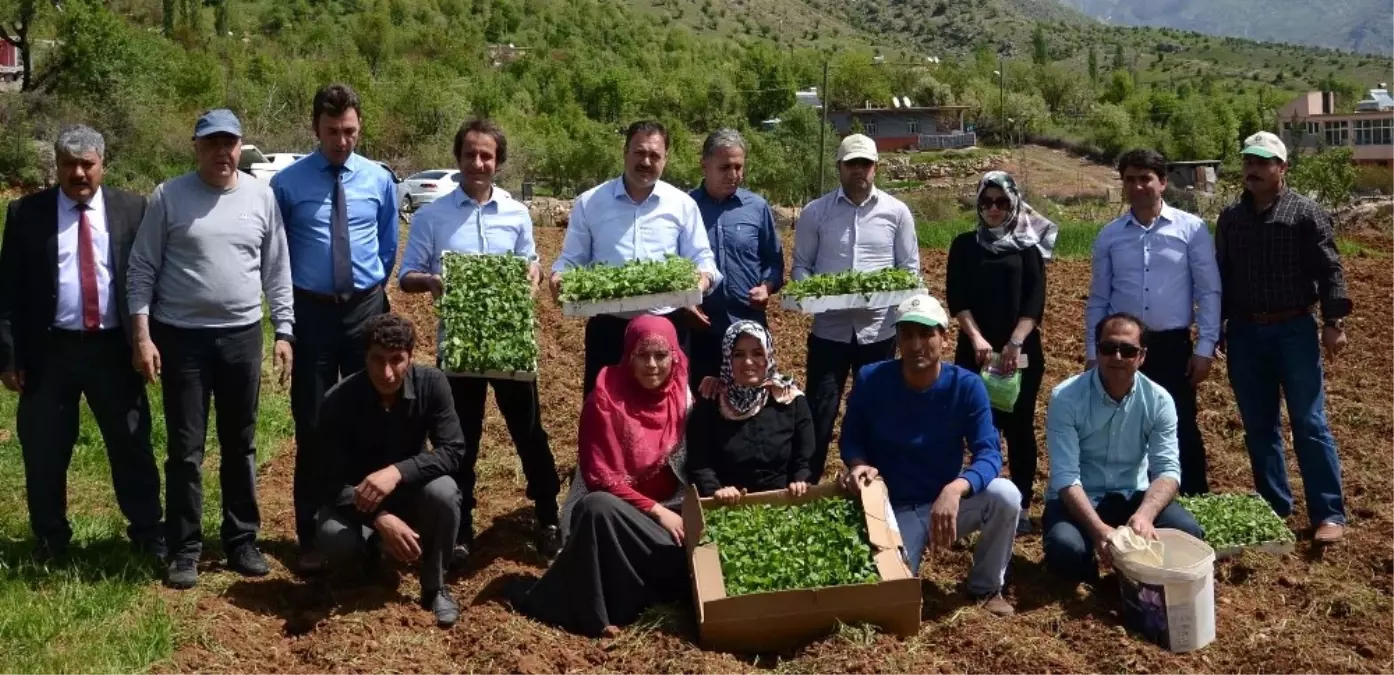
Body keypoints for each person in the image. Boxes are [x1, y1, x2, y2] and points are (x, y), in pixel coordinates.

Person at [127, 109, 294, 589]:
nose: (223, 152)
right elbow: (141, 269)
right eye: (212, 143)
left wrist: (283, 331)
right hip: (181, 337)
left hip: (241, 335)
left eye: (231, 143)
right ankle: (185, 548)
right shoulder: (168, 196)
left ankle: (242, 540)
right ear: (196, 147)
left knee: (240, 444)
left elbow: (276, 269)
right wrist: (143, 335)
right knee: (185, 449)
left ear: (241, 147)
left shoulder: (261, 197)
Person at [398, 118, 562, 562]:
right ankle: (459, 526)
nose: (477, 162)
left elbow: (531, 265)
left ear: (499, 163)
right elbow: (405, 276)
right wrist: (431, 281)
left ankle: (548, 517)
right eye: (470, 154)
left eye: (486, 155)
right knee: (460, 440)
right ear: (459, 159)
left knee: (529, 433)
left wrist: (534, 273)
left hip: (509, 342)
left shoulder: (516, 214)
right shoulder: (433, 216)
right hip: (460, 348)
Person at [0, 125, 164, 561]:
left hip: (114, 349)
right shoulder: (25, 215)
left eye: (86, 164)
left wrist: (146, 339)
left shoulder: (133, 209)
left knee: (131, 443)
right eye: (68, 164)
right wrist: (10, 356)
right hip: (49, 352)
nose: (78, 173)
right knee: (44, 449)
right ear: (55, 166)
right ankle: (51, 538)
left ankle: (148, 531)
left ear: (102, 165)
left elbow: (148, 278)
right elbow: (8, 291)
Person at [271, 83, 398, 573]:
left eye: (349, 131)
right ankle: (312, 536)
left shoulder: (379, 180)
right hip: (312, 315)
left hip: (365, 311)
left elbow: (387, 246)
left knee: (373, 417)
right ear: (315, 129)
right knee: (315, 425)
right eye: (331, 132)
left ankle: (371, 529)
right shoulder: (288, 184)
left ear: (359, 127)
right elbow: (277, 253)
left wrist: (370, 293)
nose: (341, 141)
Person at [507, 316, 691, 638]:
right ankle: (594, 614)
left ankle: (640, 597)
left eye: (660, 356)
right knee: (597, 508)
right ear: (628, 356)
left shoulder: (685, 401)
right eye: (642, 355)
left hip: (669, 524)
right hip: (621, 518)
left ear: (674, 356)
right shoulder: (605, 402)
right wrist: (657, 511)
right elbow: (599, 476)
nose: (651, 365)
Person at [839, 294, 1018, 617]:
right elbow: (851, 438)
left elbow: (989, 453)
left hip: (944, 502)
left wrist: (955, 488)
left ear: (945, 339)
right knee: (888, 596)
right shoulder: (872, 379)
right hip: (891, 506)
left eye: (926, 334)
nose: (916, 344)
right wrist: (858, 463)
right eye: (907, 335)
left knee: (1005, 495)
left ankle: (987, 586)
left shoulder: (966, 386)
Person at [1216, 131, 1352, 544]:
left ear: (1282, 168)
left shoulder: (1305, 213)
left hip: (1294, 329)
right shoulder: (1231, 218)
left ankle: (1328, 513)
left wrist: (1333, 322)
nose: (1252, 169)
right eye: (1248, 162)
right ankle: (1274, 507)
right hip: (1244, 332)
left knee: (1309, 422)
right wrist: (1217, 327)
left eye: (1262, 162)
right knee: (1259, 426)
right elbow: (1222, 276)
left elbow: (1331, 270)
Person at [314, 314, 466, 628]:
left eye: (397, 360)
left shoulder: (432, 384)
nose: (387, 372)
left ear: (411, 357)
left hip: (410, 490)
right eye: (377, 360)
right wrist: (379, 518)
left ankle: (435, 586)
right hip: (357, 500)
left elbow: (453, 450)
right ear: (364, 357)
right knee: (334, 537)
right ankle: (366, 561)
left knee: (445, 492)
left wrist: (396, 472)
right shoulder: (338, 400)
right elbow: (328, 481)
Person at [549, 120, 720, 396]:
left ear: (666, 159)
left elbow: (703, 259)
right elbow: (571, 258)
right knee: (606, 412)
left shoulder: (682, 205)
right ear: (625, 152)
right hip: (610, 330)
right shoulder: (591, 202)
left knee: (668, 417)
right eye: (639, 152)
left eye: (654, 155)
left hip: (666, 326)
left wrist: (700, 281)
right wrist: (560, 275)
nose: (646, 161)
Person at [1085, 149, 1220, 497]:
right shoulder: (1110, 236)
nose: (1138, 186)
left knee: (1180, 426)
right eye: (1130, 179)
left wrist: (1205, 348)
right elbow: (1099, 298)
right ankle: (1128, 498)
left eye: (1145, 178)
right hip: (1121, 350)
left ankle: (1191, 501)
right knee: (1123, 424)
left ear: (1162, 182)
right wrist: (1092, 351)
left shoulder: (1191, 229)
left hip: (1173, 346)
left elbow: (1208, 292)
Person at [793, 134, 920, 483]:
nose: (858, 171)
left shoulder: (896, 212)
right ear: (839, 167)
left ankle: (875, 484)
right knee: (821, 409)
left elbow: (909, 270)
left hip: (878, 332)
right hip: (828, 331)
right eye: (852, 164)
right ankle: (809, 484)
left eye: (865, 163)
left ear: (876, 167)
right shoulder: (815, 212)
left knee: (876, 411)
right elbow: (802, 265)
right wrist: (810, 291)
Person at [1042, 313, 1203, 582]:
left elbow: (1168, 470)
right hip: (1080, 499)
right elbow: (1065, 477)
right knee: (1065, 550)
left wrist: (1144, 516)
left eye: (1127, 351)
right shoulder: (1066, 397)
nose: (1117, 357)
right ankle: (1100, 580)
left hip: (1133, 496)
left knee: (1188, 532)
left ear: (1142, 356)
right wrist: (1099, 531)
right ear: (1097, 350)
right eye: (1108, 348)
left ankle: (1129, 576)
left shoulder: (1159, 400)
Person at [946, 171, 1054, 534]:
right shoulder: (963, 245)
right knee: (980, 428)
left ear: (1014, 204)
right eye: (987, 202)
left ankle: (1021, 507)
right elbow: (957, 298)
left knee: (1019, 428)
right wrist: (976, 339)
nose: (994, 209)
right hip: (975, 353)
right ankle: (981, 503)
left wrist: (1014, 342)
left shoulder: (1027, 249)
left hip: (1019, 354)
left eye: (1002, 202)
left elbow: (1034, 302)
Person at [685, 129, 784, 389]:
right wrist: (684, 302)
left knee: (751, 404)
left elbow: (773, 262)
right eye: (725, 167)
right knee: (702, 407)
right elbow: (670, 264)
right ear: (704, 165)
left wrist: (767, 287)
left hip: (748, 330)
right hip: (700, 328)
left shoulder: (757, 208)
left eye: (739, 167)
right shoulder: (685, 207)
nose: (733, 175)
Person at [688, 321, 813, 499]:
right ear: (727, 358)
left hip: (784, 501)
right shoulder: (712, 403)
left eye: (757, 353)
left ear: (768, 356)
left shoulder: (789, 399)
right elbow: (700, 462)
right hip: (729, 505)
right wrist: (716, 490)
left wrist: (800, 481)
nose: (748, 362)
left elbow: (805, 457)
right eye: (738, 354)